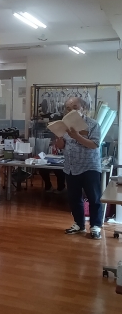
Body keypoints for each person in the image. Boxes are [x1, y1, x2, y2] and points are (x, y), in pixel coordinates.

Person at [55, 96, 103, 239]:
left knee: (93, 198)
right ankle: (79, 224)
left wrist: (76, 136)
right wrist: (59, 138)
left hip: (89, 166)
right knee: (74, 198)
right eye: (68, 109)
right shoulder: (65, 125)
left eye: (75, 108)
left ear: (84, 109)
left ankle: (95, 226)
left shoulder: (93, 124)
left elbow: (94, 144)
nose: (71, 111)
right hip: (71, 166)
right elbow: (61, 146)